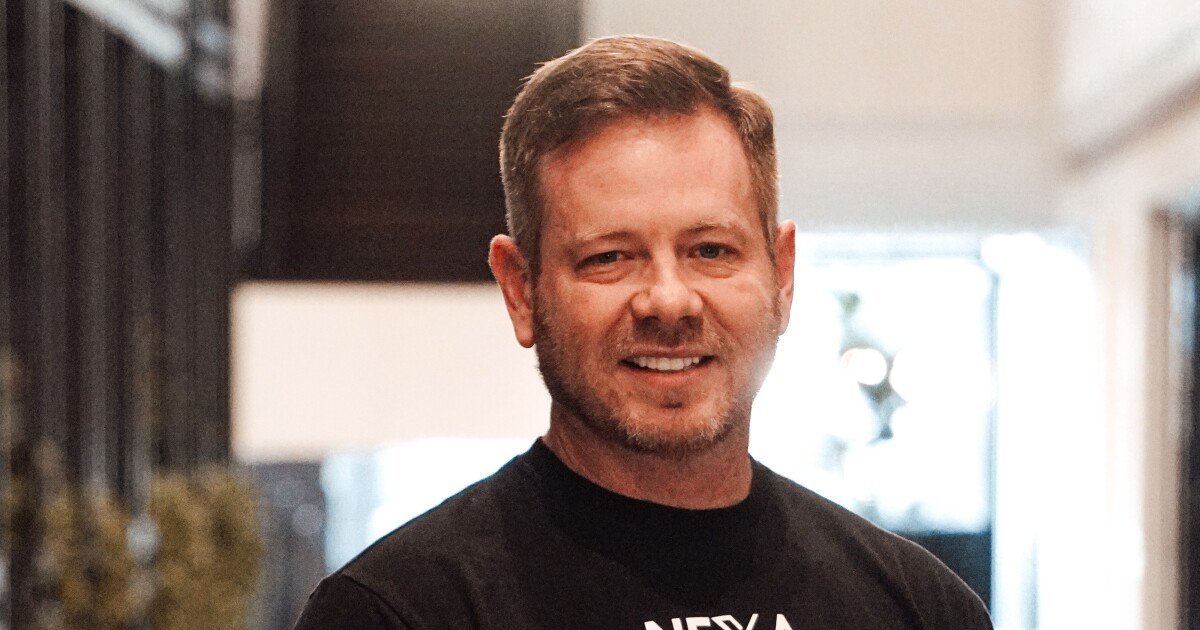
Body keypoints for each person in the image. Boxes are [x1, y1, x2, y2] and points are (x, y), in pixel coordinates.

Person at [295, 35, 993, 630]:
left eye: (711, 250)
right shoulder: (396, 613)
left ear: (782, 277)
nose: (669, 301)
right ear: (521, 290)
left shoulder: (918, 610)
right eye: (609, 258)